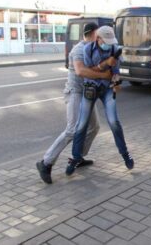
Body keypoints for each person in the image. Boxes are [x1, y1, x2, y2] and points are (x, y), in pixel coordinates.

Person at [36, 22, 115, 184]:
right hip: (75, 93)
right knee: (72, 130)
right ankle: (45, 163)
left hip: (87, 94)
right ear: (94, 34)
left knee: (94, 127)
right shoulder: (79, 49)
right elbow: (80, 70)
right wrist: (103, 75)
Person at [66, 25, 134, 176]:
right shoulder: (87, 49)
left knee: (114, 122)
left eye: (111, 41)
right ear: (98, 38)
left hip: (108, 90)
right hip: (90, 88)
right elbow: (89, 72)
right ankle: (76, 158)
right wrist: (105, 65)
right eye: (106, 40)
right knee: (81, 124)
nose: (108, 44)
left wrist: (116, 82)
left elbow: (115, 73)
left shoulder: (114, 49)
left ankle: (125, 155)